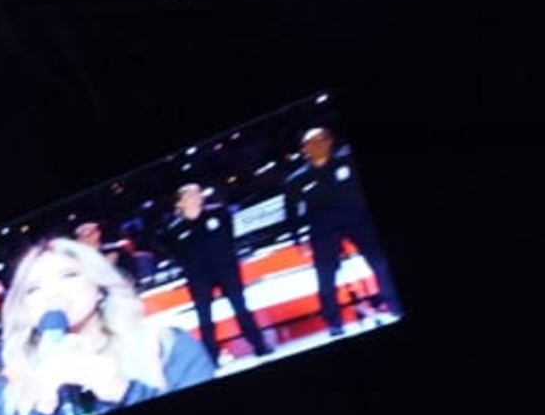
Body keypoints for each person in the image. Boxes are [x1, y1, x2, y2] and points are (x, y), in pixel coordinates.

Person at [0, 236, 216, 415]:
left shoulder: (167, 347)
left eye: (68, 275)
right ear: (24, 307)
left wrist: (126, 393)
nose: (52, 293)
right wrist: (44, 412)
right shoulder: (0, 395)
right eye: (34, 288)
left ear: (98, 286)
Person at [283, 125, 397, 330]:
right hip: (323, 231)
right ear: (304, 148)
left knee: (381, 263)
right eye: (311, 142)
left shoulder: (347, 161)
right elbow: (291, 213)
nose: (317, 145)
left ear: (329, 141)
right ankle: (334, 323)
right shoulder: (296, 180)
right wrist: (297, 240)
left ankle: (395, 306)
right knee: (325, 277)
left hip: (358, 222)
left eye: (321, 139)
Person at [164, 181, 270, 360]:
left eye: (198, 193)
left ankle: (259, 345)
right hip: (199, 278)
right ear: (179, 203)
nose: (195, 197)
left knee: (241, 308)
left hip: (226, 270)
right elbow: (176, 254)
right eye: (189, 195)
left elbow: (230, 237)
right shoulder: (175, 229)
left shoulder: (218, 213)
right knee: (205, 317)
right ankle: (211, 357)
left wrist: (228, 260)